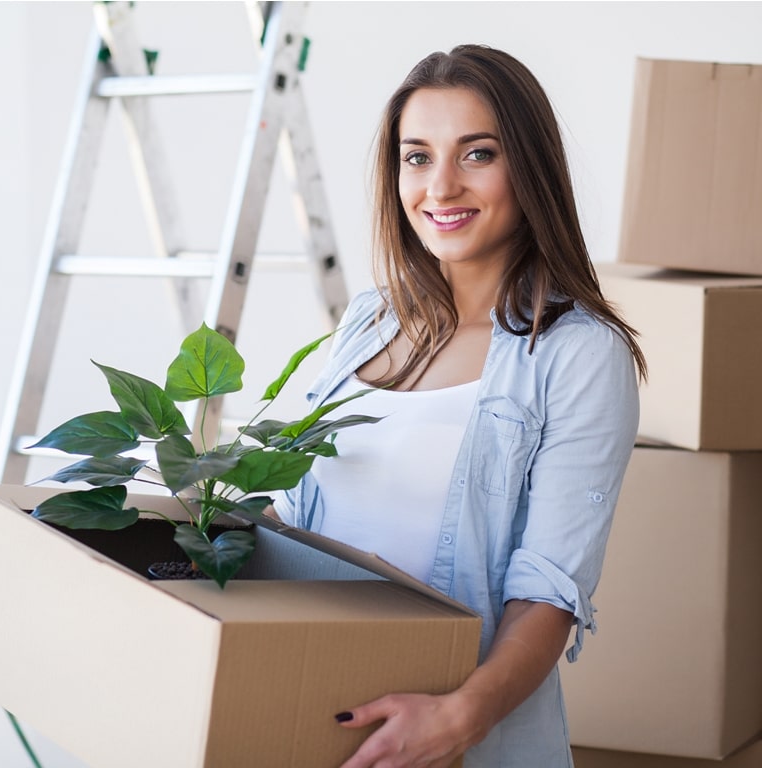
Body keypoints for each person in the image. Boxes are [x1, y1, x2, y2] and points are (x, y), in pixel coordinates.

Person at [270, 44, 646, 768]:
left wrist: (456, 720)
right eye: (417, 157)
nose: (440, 186)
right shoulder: (368, 321)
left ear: (528, 167)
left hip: (462, 741)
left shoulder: (576, 353)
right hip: (310, 716)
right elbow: (293, 519)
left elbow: (547, 590)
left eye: (477, 154)